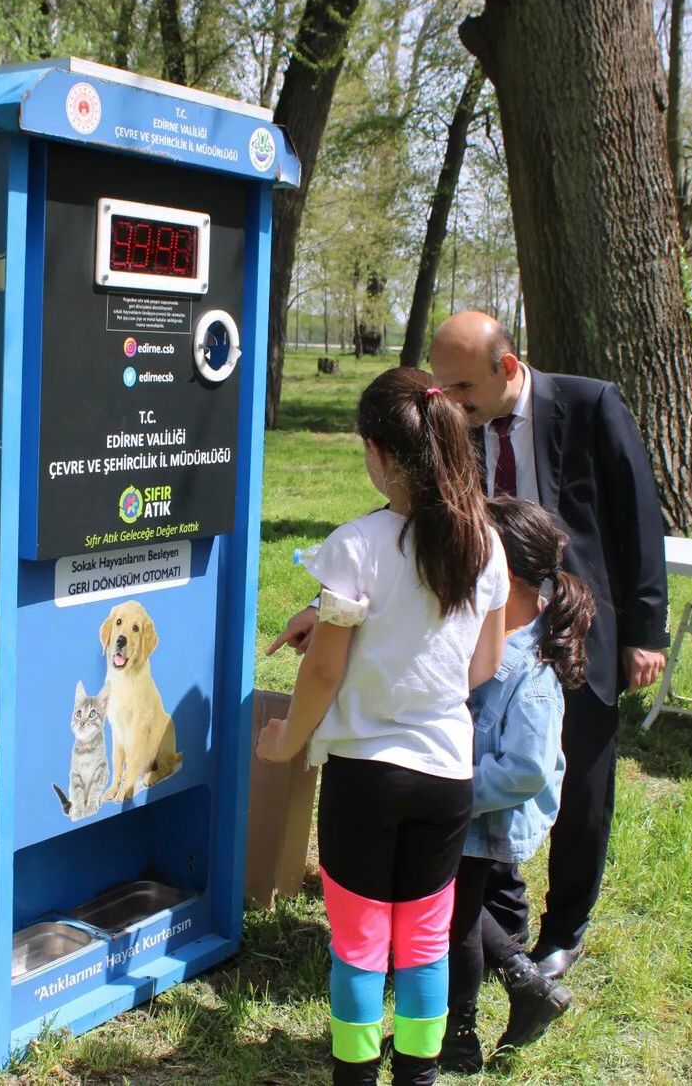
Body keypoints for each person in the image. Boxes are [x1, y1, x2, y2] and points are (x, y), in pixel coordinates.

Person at [269, 311, 669, 981]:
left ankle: (563, 930)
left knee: (582, 785)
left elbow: (638, 517)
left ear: (506, 368)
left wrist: (647, 633)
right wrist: (323, 604)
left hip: (578, 619)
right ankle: (487, 926)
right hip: (486, 617)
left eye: (460, 387)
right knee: (483, 775)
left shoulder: (589, 405)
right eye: (440, 388)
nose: (448, 404)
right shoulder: (452, 433)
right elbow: (406, 531)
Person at [257, 367, 510, 1086]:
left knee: (360, 943)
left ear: (377, 451)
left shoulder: (353, 546)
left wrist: (285, 742)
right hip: (446, 774)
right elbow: (482, 660)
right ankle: (418, 1076)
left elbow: (325, 674)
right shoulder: (484, 545)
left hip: (365, 776)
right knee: (424, 942)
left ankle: (354, 1076)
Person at [441, 496, 595, 1074]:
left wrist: (456, 790)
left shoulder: (528, 672)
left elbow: (527, 768)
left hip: (481, 816)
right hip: (465, 810)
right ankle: (527, 986)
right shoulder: (490, 637)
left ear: (501, 577)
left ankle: (456, 1038)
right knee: (458, 906)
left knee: (455, 924)